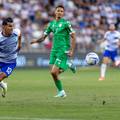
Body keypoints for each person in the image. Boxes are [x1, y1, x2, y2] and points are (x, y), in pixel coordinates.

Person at [31, 5, 76, 97]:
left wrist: (71, 50)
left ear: (63, 13)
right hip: (54, 50)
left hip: (63, 49)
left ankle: (68, 65)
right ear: (55, 12)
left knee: (53, 72)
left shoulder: (66, 23)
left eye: (61, 11)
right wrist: (36, 41)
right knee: (54, 74)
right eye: (58, 10)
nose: (59, 12)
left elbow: (73, 36)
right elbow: (44, 37)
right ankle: (61, 92)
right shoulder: (51, 24)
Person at [0, 17, 22, 97]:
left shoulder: (16, 32)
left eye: (12, 26)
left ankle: (2, 83)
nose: (12, 28)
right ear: (3, 27)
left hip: (10, 62)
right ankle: (3, 85)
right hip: (0, 60)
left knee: (2, 76)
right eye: (9, 26)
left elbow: (20, 35)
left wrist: (19, 44)